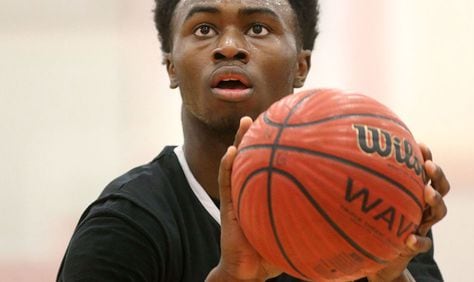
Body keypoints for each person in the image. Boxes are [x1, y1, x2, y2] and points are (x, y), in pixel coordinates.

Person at [57, 0, 450, 281]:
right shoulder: (127, 223)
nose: (229, 46)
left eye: (258, 27)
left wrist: (389, 276)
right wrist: (232, 278)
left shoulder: (374, 195)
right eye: (204, 28)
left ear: (301, 65)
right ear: (171, 65)